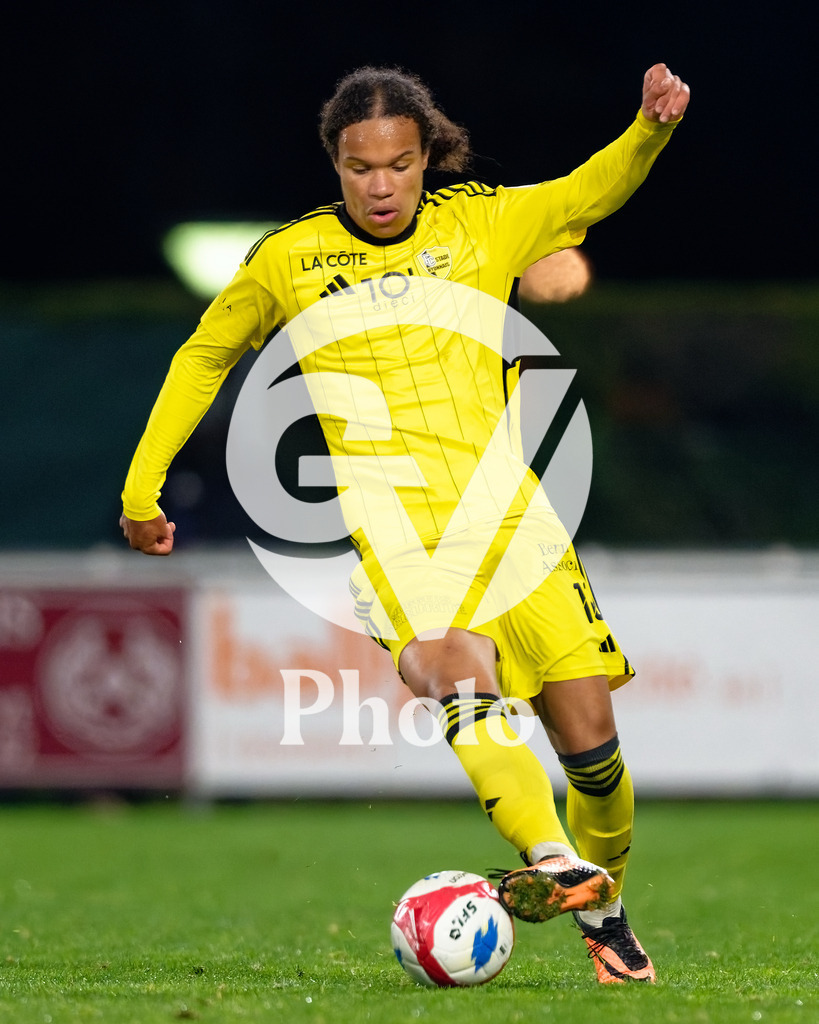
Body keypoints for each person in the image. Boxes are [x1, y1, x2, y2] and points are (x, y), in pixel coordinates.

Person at [120, 63, 689, 984]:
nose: (379, 186)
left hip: (515, 524)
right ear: (334, 165)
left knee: (593, 755)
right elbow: (204, 355)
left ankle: (605, 916)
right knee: (450, 667)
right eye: (358, 168)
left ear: (427, 158)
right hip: (397, 533)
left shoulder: (482, 222)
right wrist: (141, 489)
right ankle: (550, 857)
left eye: (397, 165)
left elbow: (591, 188)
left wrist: (649, 128)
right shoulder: (289, 259)